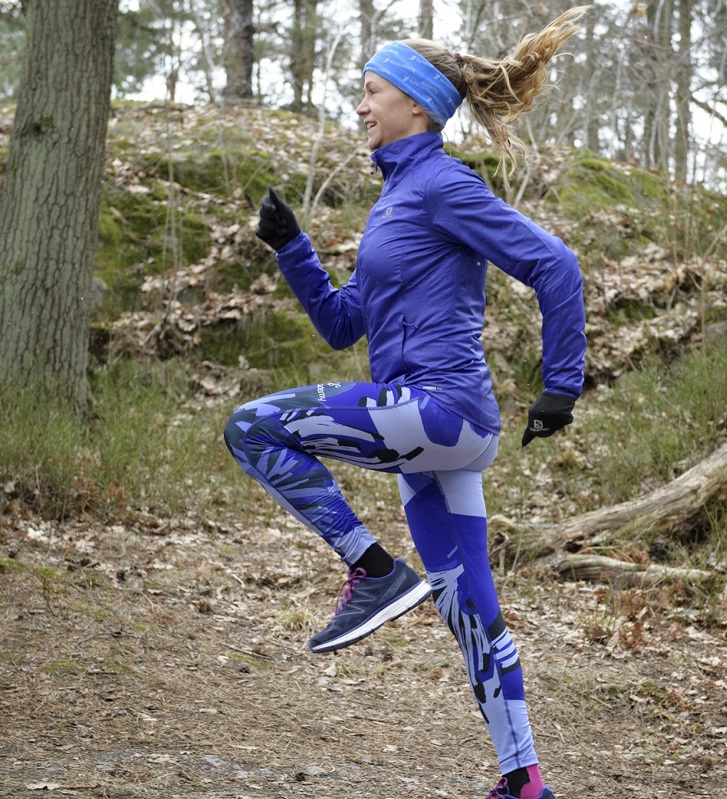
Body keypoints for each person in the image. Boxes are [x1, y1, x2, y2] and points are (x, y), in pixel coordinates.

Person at [223, 8, 589, 799]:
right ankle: (524, 780)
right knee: (471, 610)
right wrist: (292, 248)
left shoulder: (442, 185)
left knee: (252, 426)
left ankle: (374, 569)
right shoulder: (394, 200)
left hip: (438, 410)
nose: (359, 105)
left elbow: (556, 266)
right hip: (431, 438)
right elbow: (340, 324)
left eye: (371, 90)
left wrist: (562, 383)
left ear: (414, 107)